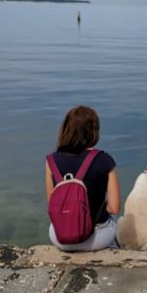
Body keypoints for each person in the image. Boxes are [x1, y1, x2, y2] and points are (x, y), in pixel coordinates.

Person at [45, 106, 121, 251]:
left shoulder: (51, 160)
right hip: (95, 239)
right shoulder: (104, 159)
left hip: (59, 238)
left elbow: (52, 204)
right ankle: (111, 248)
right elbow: (114, 208)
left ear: (66, 129)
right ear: (93, 131)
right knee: (113, 219)